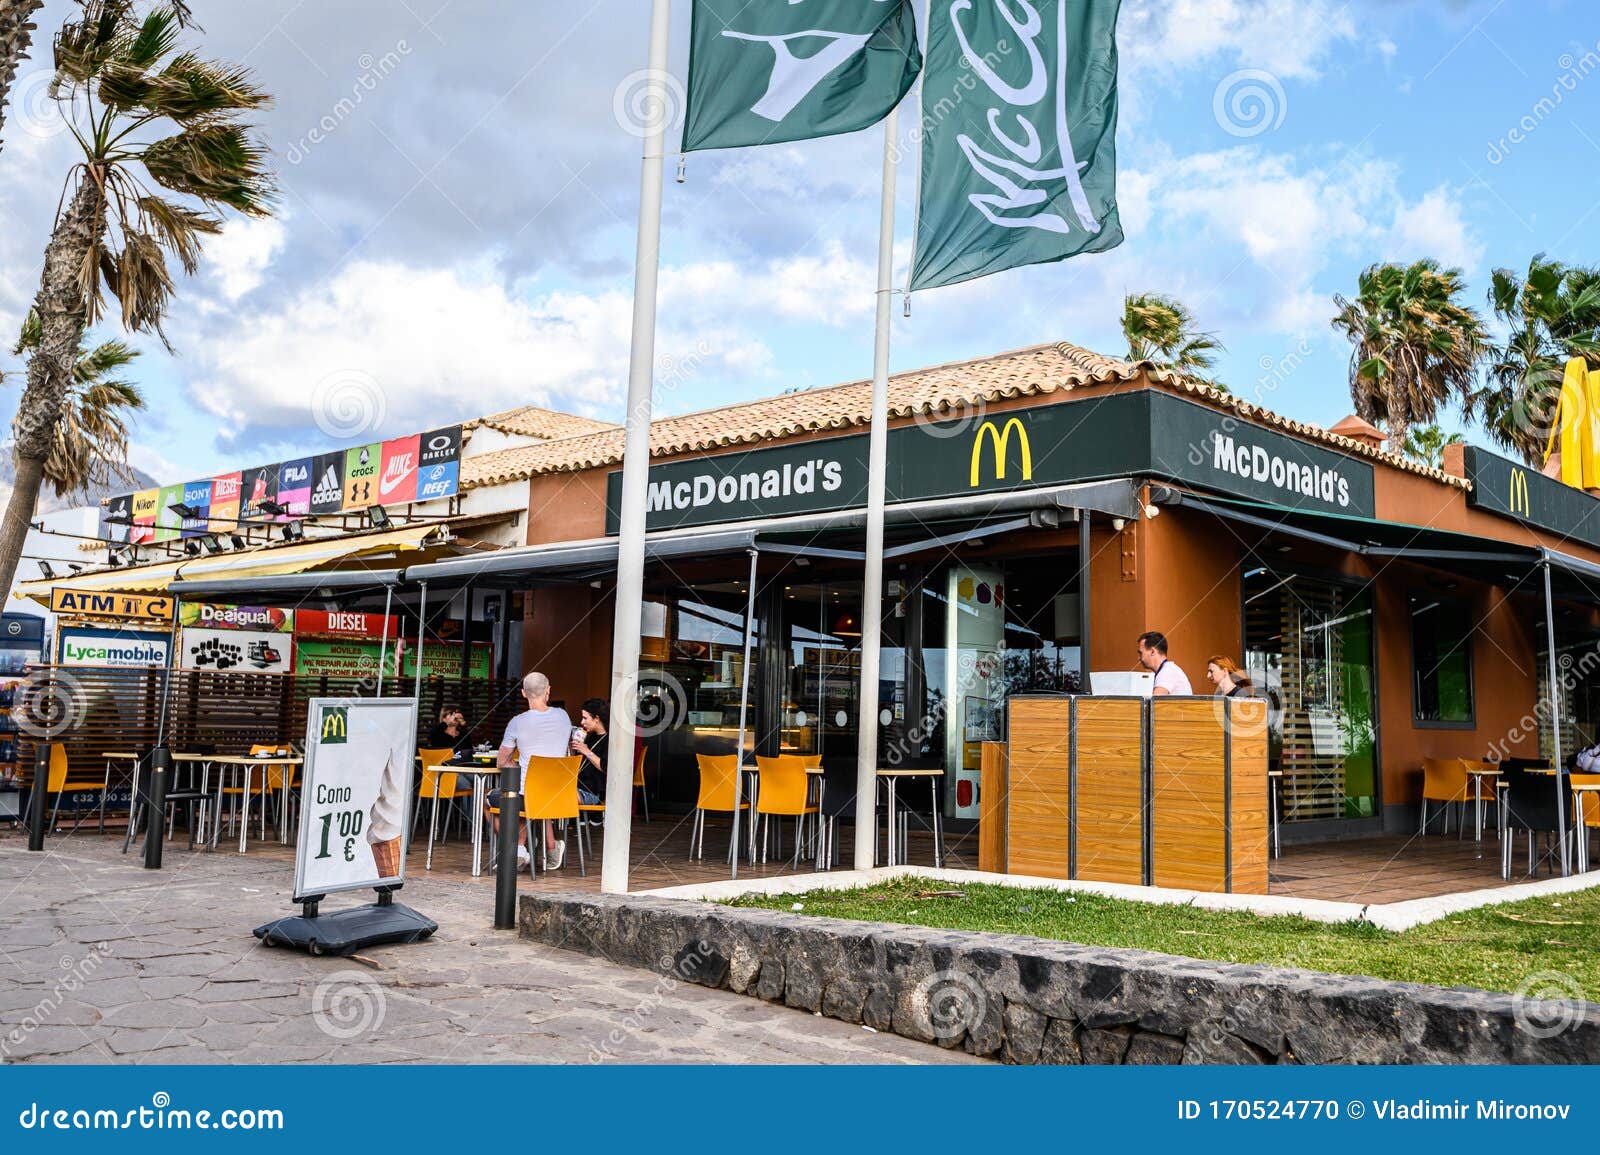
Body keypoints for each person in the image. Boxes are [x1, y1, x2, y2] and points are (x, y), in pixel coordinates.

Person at [491, 671, 574, 869]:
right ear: (548, 691)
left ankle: (518, 850)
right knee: (530, 800)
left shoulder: (517, 722)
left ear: (523, 693)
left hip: (530, 795)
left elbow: (501, 762)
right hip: (560, 793)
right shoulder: (563, 716)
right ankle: (550, 847)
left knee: (494, 799)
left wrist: (517, 765)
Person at [571, 697, 608, 805]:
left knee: (557, 793)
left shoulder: (609, 740)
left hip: (592, 793)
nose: (582, 722)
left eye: (585, 718)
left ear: (596, 718)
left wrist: (586, 751)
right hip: (577, 788)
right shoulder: (589, 736)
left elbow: (605, 767)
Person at [1136, 631, 1192, 696]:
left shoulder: (1168, 671)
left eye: (1140, 653)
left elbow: (1153, 703)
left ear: (1152, 651)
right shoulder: (1164, 671)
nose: (1138, 658)